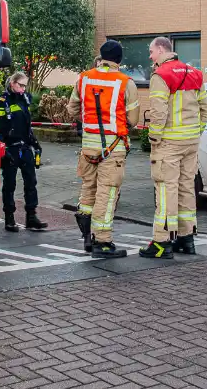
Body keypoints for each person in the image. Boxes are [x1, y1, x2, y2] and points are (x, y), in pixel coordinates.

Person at [67, 40, 140, 258]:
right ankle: (103, 242)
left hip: (88, 146)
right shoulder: (126, 82)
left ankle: (87, 235)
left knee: (89, 188)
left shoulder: (84, 78)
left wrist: (88, 122)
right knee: (107, 194)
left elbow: (72, 109)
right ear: (119, 59)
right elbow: (133, 119)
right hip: (112, 146)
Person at [141, 37, 207, 258]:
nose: (150, 56)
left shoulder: (161, 75)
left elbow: (159, 113)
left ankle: (161, 242)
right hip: (190, 142)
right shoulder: (195, 73)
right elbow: (206, 109)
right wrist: (195, 132)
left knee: (165, 189)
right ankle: (186, 238)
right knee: (186, 188)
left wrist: (153, 138)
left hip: (169, 144)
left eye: (151, 52)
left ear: (162, 49)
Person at [0, 72, 47, 232]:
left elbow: (27, 126)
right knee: (9, 184)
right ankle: (9, 218)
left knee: (31, 182)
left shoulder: (25, 99)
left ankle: (31, 217)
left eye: (25, 85)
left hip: (25, 147)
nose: (23, 88)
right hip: (10, 148)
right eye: (20, 85)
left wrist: (35, 144)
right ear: (12, 83)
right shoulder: (2, 102)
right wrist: (2, 148)